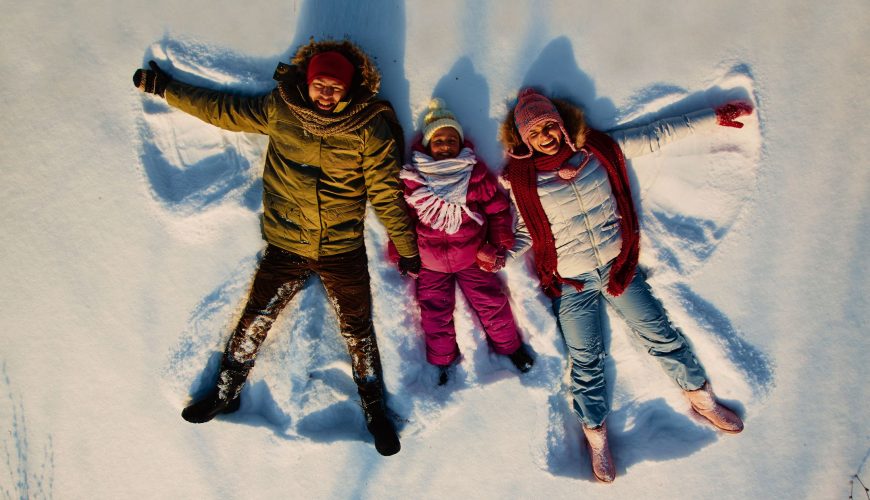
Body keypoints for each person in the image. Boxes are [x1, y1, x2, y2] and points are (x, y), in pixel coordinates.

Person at [132, 39, 422, 456]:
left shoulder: (368, 126)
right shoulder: (282, 108)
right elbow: (223, 110)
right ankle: (226, 390)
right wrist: (164, 88)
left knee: (357, 330)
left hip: (342, 248)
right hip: (286, 242)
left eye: (335, 87)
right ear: (307, 81)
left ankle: (375, 412)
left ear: (349, 87)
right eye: (320, 84)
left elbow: (384, 192)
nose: (326, 93)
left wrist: (406, 246)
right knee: (255, 318)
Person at [499, 88, 752, 482]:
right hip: (574, 280)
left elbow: (657, 133)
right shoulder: (522, 180)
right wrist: (499, 255)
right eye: (536, 132)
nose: (546, 135)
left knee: (660, 334)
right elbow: (524, 232)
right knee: (585, 361)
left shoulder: (598, 148)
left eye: (549, 126)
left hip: (618, 266)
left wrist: (712, 117)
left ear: (562, 124)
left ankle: (700, 397)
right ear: (524, 139)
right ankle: (596, 436)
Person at [394, 98, 533, 385]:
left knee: (491, 303)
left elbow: (496, 209)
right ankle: (442, 360)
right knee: (435, 313)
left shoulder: (474, 174)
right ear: (427, 145)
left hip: (472, 257)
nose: (445, 145)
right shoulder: (414, 179)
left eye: (450, 140)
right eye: (438, 140)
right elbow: (402, 220)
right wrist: (400, 252)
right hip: (430, 263)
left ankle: (511, 347)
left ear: (460, 143)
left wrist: (498, 242)